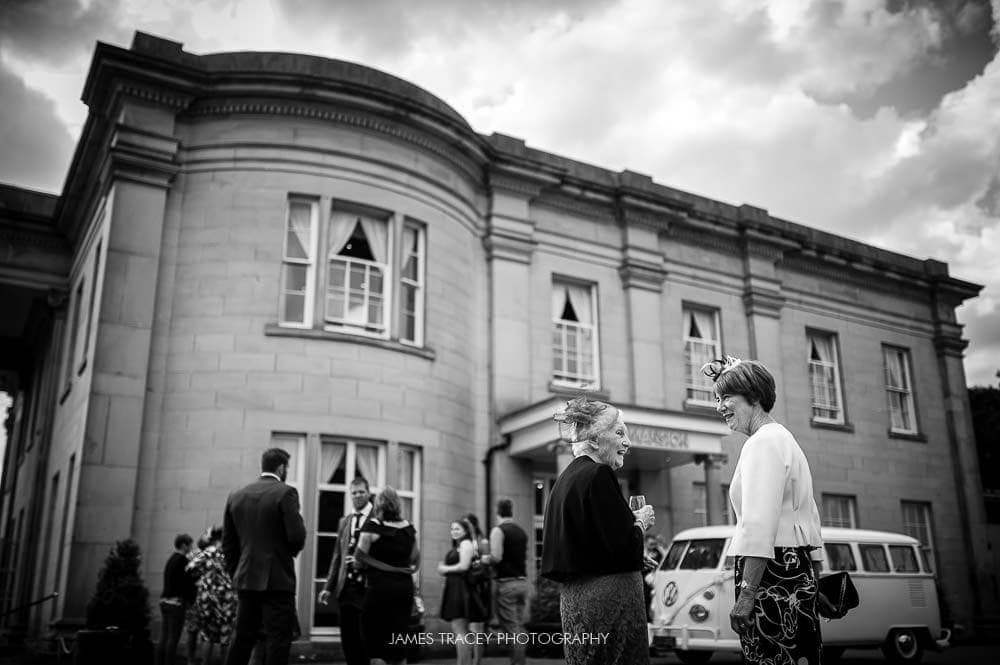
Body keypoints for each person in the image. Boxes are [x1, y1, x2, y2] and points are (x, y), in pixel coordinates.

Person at [703, 356, 831, 665]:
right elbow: (810, 519)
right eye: (717, 398)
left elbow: (759, 525)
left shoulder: (763, 442)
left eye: (726, 397)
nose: (719, 406)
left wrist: (747, 596)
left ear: (755, 397)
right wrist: (814, 574)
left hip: (772, 577)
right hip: (794, 572)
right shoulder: (784, 438)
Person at [540, 396, 655, 665]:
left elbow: (591, 543)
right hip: (608, 603)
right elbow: (624, 548)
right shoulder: (598, 474)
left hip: (575, 601)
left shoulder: (565, 480)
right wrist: (640, 521)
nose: (627, 442)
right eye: (619, 433)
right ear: (593, 440)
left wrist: (636, 553)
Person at [222, 447, 307, 665]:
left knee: (241, 639)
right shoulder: (286, 493)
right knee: (278, 641)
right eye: (287, 467)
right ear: (281, 467)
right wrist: (284, 555)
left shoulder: (236, 495)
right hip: (277, 582)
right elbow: (297, 537)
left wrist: (238, 571)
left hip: (247, 580)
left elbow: (228, 544)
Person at [355, 486, 420, 665]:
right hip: (403, 590)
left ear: (378, 505)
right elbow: (414, 558)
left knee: (376, 644)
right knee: (399, 642)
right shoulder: (409, 529)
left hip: (380, 589)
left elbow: (359, 560)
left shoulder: (371, 528)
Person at [318, 477, 374, 665]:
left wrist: (364, 562)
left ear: (368, 493)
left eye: (361, 492)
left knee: (366, 639)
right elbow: (337, 556)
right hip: (345, 589)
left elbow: (385, 554)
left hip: (368, 588)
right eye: (354, 492)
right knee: (348, 640)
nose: (358, 496)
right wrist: (328, 587)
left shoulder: (378, 519)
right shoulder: (344, 521)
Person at [438, 518, 487, 665]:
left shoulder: (465, 544)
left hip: (461, 590)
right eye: (452, 529)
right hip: (456, 588)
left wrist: (444, 569)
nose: (454, 531)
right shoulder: (460, 544)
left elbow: (464, 566)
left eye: (457, 529)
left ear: (465, 531)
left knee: (461, 631)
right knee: (460, 630)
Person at [187, 526, 238, 665]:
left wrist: (204, 576)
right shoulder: (232, 551)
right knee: (226, 637)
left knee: (207, 636)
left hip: (208, 597)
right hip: (228, 597)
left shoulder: (209, 551)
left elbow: (190, 567)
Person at [488, 499, 529, 665]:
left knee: (512, 630)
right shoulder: (521, 532)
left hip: (507, 585)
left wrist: (484, 559)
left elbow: (496, 557)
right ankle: (520, 661)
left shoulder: (498, 531)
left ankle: (518, 663)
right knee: (518, 626)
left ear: (497, 512)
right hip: (522, 584)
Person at [157, 533, 196, 665]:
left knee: (164, 637)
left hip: (164, 601)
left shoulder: (171, 559)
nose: (192, 547)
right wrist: (191, 599)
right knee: (173, 638)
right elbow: (189, 584)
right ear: (184, 545)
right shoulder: (184, 561)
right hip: (176, 603)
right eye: (190, 544)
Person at [461, 512, 490, 665]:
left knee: (477, 627)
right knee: (466, 627)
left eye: (467, 524)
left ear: (473, 525)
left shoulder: (482, 540)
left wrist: (475, 562)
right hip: (465, 586)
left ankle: (477, 661)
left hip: (479, 587)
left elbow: (486, 561)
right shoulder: (462, 541)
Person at [643, 534, 664, 622]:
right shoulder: (641, 551)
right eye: (651, 544)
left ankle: (653, 619)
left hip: (653, 579)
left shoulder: (657, 552)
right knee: (645, 600)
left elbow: (663, 560)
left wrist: (660, 547)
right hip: (643, 580)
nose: (653, 546)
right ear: (645, 543)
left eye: (654, 544)